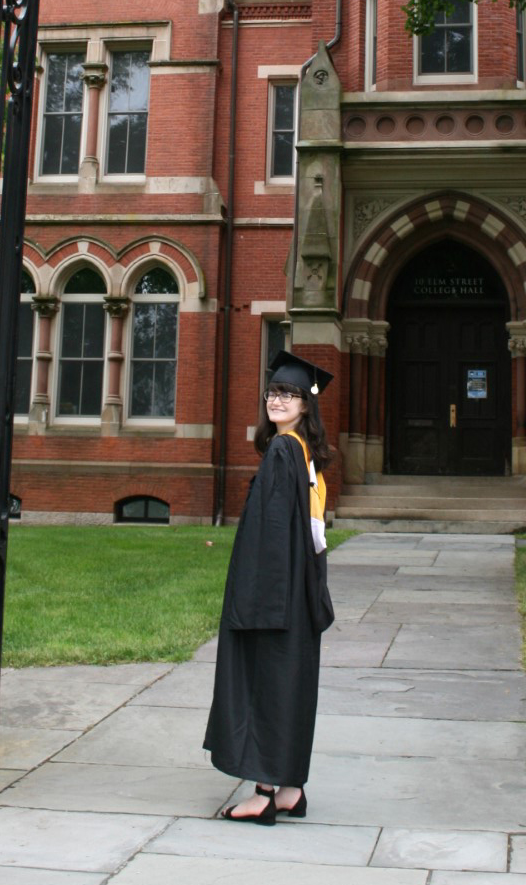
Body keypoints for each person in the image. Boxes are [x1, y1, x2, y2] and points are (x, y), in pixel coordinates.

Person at [203, 349, 335, 823]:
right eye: (274, 391)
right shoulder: (304, 451)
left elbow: (273, 532)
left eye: (290, 394)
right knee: (291, 684)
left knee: (266, 680)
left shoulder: (282, 451)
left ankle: (262, 792)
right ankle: (290, 789)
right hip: (298, 590)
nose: (277, 400)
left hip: (274, 593)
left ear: (306, 404)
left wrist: (258, 604)